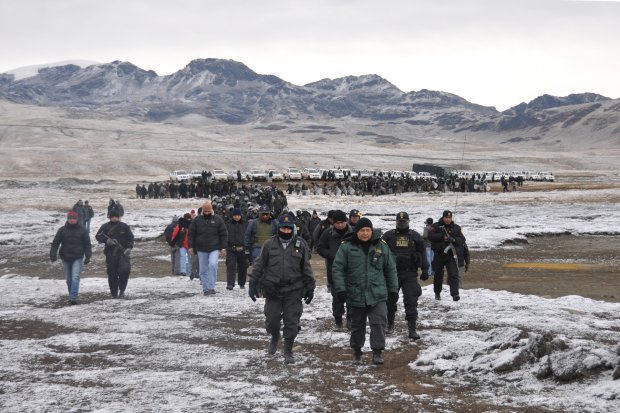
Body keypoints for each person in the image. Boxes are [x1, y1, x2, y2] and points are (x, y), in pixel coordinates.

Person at [249, 214, 315, 364]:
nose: (286, 231)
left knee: (291, 321)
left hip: (294, 289)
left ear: (293, 229)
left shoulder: (300, 245)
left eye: (288, 228)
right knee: (272, 320)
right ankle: (274, 336)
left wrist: (310, 286)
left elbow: (306, 268)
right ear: (278, 228)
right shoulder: (269, 244)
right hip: (273, 289)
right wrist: (253, 284)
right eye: (283, 228)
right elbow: (259, 265)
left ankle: (288, 350)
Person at [332, 217, 398, 365]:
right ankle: (357, 351)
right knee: (357, 325)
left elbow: (390, 269)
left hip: (377, 292)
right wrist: (341, 289)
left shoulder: (381, 246)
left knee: (379, 323)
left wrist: (393, 290)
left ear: (371, 230)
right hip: (356, 293)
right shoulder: (347, 247)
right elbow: (337, 268)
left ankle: (377, 352)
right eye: (362, 230)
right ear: (357, 231)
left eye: (368, 230)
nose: (365, 233)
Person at [381, 212, 429, 340]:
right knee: (390, 300)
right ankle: (390, 324)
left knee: (411, 301)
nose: (402, 224)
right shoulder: (388, 236)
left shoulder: (415, 236)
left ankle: (412, 328)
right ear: (396, 222)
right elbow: (379, 252)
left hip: (410, 273)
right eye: (399, 222)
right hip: (392, 273)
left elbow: (423, 252)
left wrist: (425, 269)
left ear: (409, 222)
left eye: (404, 222)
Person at [317, 209, 352, 330]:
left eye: (342, 222)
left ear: (346, 221)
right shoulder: (327, 233)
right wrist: (330, 254)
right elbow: (320, 248)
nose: (340, 225)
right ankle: (338, 321)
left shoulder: (353, 233)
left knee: (352, 298)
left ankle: (350, 320)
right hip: (334, 271)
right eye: (337, 223)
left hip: (352, 271)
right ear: (334, 223)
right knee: (337, 299)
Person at [50, 211, 92, 305]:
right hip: (65, 257)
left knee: (75, 277)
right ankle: (71, 295)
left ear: (77, 219)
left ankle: (73, 297)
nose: (72, 220)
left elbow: (87, 244)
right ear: (67, 219)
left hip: (78, 257)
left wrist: (88, 256)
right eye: (70, 218)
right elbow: (55, 243)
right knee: (69, 279)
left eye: (74, 218)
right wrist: (53, 254)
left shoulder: (82, 230)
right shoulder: (62, 230)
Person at [188, 201, 228, 296]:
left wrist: (223, 247)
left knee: (213, 265)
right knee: (202, 270)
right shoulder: (197, 220)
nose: (206, 213)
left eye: (208, 211)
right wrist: (191, 246)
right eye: (205, 211)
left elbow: (223, 234)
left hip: (214, 247)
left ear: (211, 210)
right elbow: (191, 234)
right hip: (201, 249)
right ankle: (205, 288)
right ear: (202, 210)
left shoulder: (218, 219)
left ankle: (211, 287)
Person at [95, 208, 134, 298]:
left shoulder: (124, 226)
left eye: (116, 217)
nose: (114, 218)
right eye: (112, 217)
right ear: (109, 217)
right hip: (110, 253)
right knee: (112, 274)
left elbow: (130, 238)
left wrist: (129, 248)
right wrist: (106, 240)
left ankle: (122, 290)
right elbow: (98, 236)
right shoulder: (105, 226)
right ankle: (114, 293)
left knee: (124, 272)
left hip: (123, 253)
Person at [428, 210, 466, 301]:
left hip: (451, 255)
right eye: (446, 218)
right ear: (443, 217)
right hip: (439, 255)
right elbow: (430, 236)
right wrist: (442, 237)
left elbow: (462, 239)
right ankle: (437, 293)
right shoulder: (436, 226)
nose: (448, 219)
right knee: (438, 275)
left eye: (450, 218)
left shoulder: (456, 228)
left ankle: (455, 294)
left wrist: (453, 239)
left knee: (453, 274)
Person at [225, 208, 248, 290]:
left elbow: (249, 236)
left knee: (243, 266)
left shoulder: (245, 224)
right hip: (231, 248)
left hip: (242, 248)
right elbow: (224, 235)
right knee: (231, 266)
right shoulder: (228, 224)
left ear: (240, 215)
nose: (236, 217)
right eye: (235, 215)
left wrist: (247, 247)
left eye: (238, 215)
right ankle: (230, 284)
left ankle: (242, 283)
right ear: (232, 216)